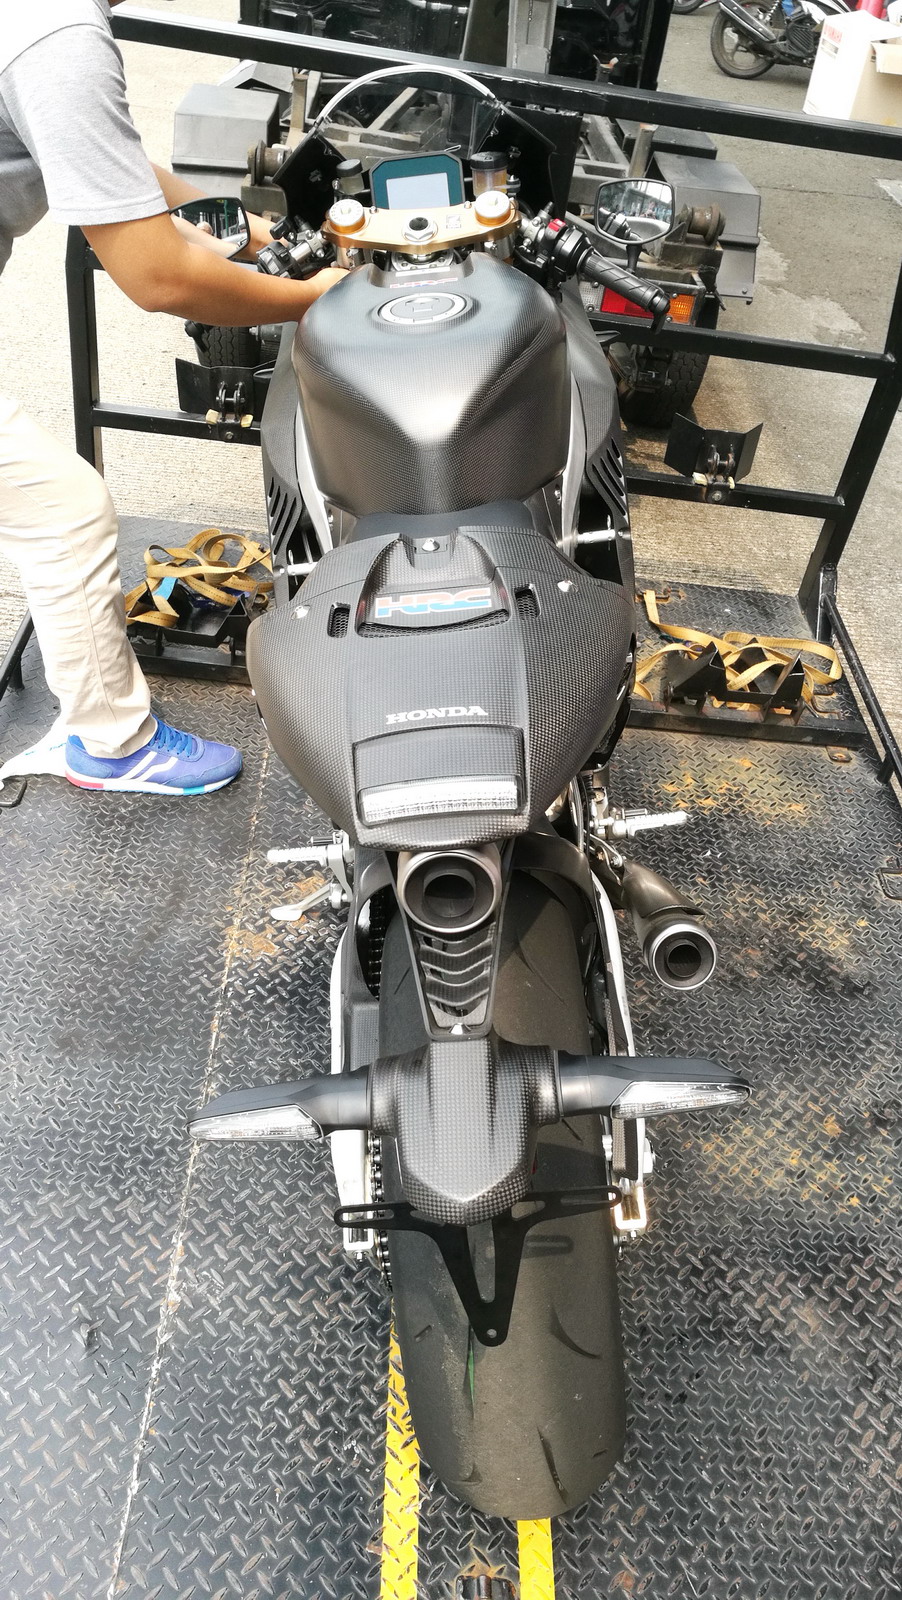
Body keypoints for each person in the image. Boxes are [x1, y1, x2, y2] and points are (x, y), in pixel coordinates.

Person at [0, 0, 345, 795]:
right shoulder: (58, 33)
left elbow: (113, 171)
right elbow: (159, 277)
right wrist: (322, 297)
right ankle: (112, 743)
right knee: (61, 512)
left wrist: (268, 240)